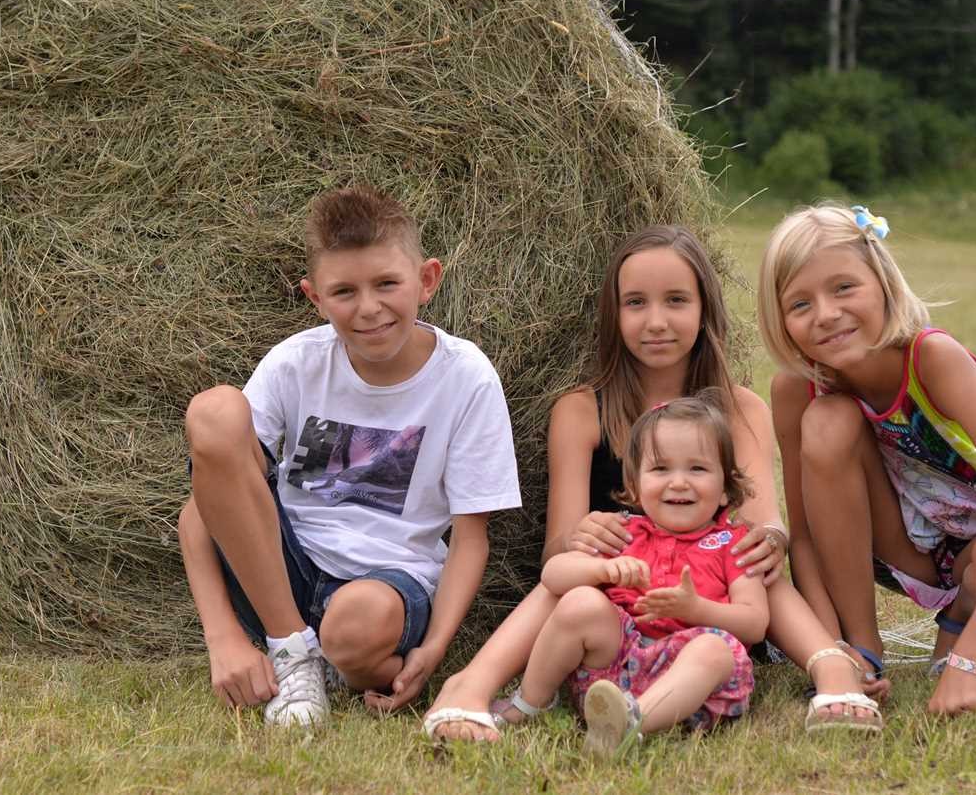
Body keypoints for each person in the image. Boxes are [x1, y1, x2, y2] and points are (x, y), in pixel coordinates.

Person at [423, 226, 881, 742]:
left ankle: (830, 668)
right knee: (571, 580)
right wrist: (582, 538)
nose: (656, 321)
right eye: (636, 303)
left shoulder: (739, 408)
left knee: (751, 554)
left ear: (705, 309)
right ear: (613, 317)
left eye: (677, 301)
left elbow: (762, 522)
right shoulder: (581, 411)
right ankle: (470, 687)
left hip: (711, 611)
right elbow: (555, 553)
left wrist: (769, 537)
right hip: (613, 610)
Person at [177, 184, 521, 727]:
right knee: (214, 411)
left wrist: (432, 649)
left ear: (426, 280)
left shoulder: (466, 376)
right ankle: (293, 654)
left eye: (387, 284)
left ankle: (333, 657)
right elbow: (203, 506)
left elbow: (471, 535)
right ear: (315, 298)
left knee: (355, 625)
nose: (369, 308)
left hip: (387, 584)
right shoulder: (296, 363)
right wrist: (222, 637)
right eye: (344, 292)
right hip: (278, 574)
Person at [758, 203, 976, 717]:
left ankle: (961, 621)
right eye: (800, 304)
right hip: (900, 545)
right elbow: (804, 537)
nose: (826, 314)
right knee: (826, 421)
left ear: (882, 283)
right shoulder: (794, 390)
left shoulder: (933, 359)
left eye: (844, 288)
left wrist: (969, 662)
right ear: (779, 320)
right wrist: (833, 650)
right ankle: (867, 646)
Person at [504, 393, 767, 755]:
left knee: (714, 650)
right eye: (661, 469)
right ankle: (528, 704)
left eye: (697, 469)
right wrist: (601, 568)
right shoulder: (623, 531)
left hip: (690, 687)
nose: (678, 482)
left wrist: (697, 610)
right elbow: (553, 575)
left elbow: (755, 623)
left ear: (725, 489)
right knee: (581, 601)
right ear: (635, 486)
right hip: (613, 670)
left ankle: (631, 722)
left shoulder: (732, 543)